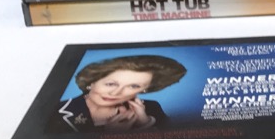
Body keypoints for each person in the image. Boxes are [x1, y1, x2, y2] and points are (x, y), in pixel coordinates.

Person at [48, 54, 186, 132]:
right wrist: (109, 135)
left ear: (143, 90)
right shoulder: (55, 111)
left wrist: (145, 124)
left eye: (133, 86)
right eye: (110, 84)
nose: (116, 92)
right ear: (91, 82)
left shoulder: (151, 109)